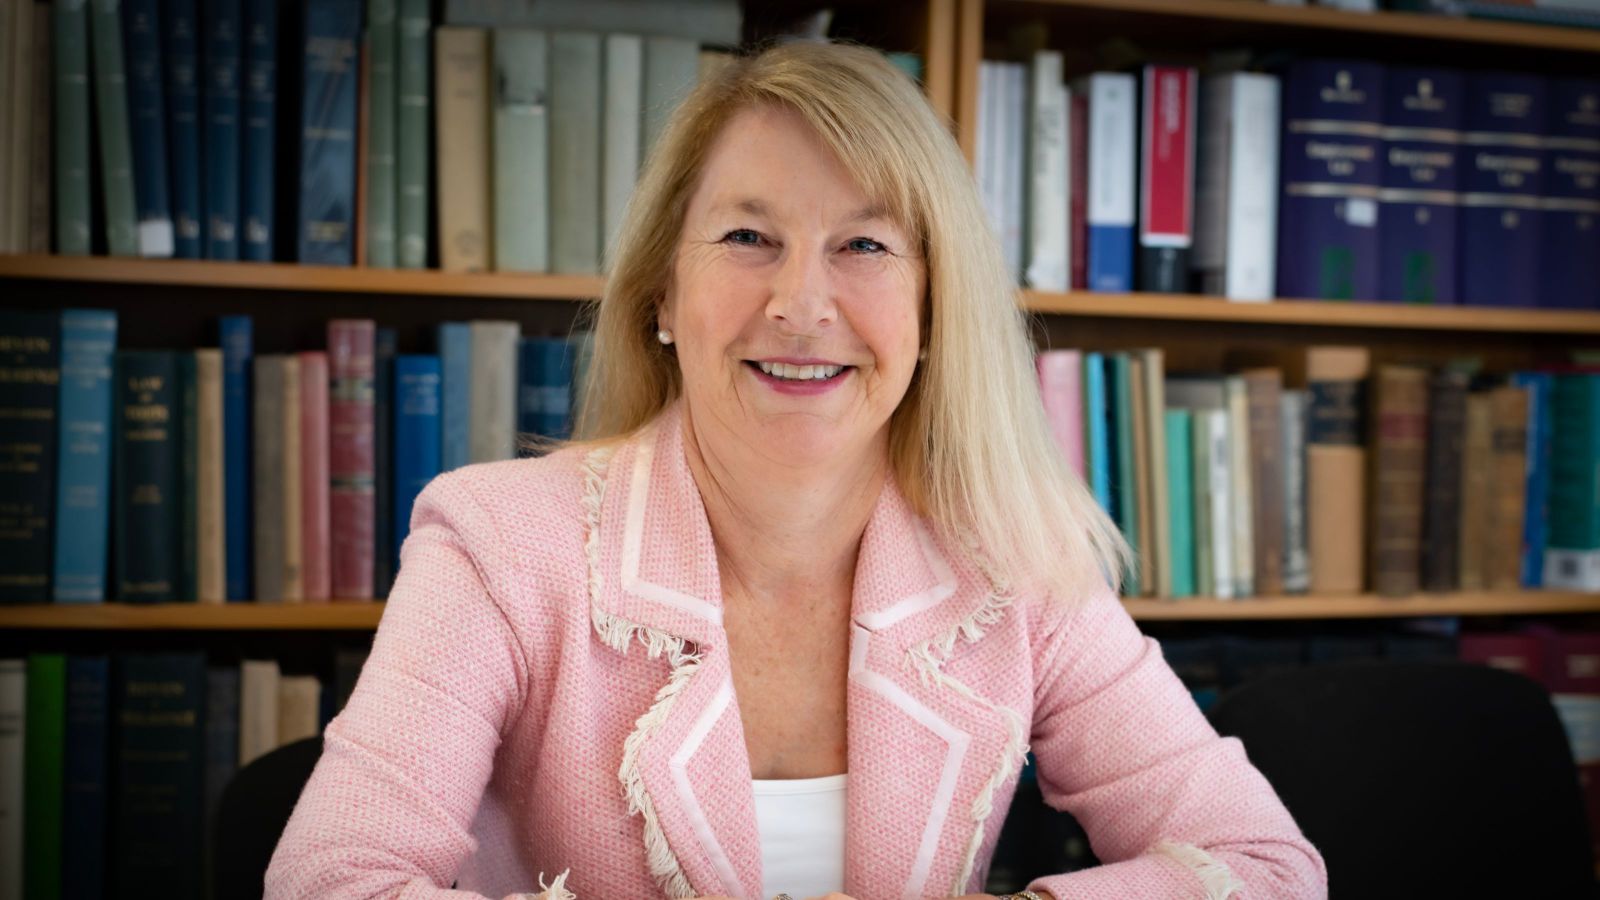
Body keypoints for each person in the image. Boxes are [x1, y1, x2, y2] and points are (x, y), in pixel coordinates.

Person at [266, 40, 1327, 900]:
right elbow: (331, 882)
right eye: (747, 237)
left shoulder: (1017, 567)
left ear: (930, 310)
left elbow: (1266, 870)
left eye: (864, 247)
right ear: (661, 301)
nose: (802, 305)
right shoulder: (498, 543)